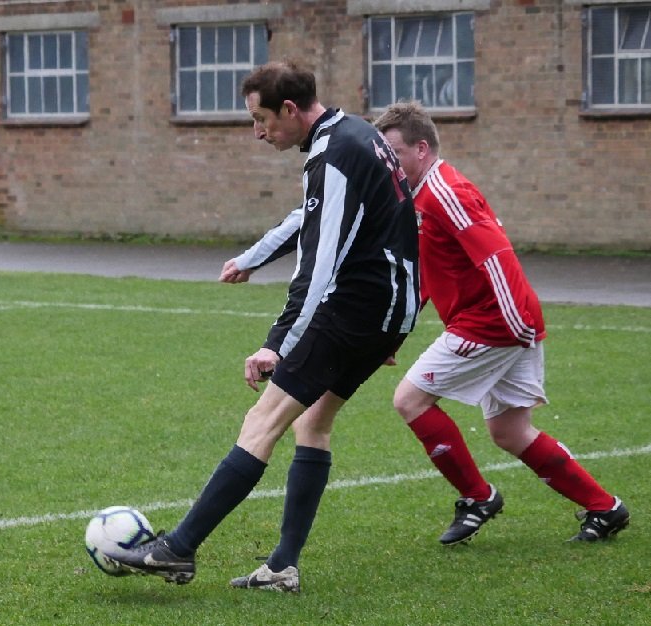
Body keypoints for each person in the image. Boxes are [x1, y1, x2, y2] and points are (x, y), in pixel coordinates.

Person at [217, 100, 631, 591]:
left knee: (409, 399)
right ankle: (605, 508)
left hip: (495, 321)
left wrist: (515, 321)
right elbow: (420, 271)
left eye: (393, 152)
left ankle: (478, 496)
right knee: (509, 431)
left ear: (421, 148)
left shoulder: (445, 190)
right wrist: (398, 327)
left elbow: (496, 254)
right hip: (506, 320)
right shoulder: (409, 196)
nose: (386, 162)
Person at [108, 61, 420, 590]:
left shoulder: (334, 155)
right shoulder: (355, 134)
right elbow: (313, 219)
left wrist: (277, 344)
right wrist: (255, 256)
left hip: (356, 307)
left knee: (262, 421)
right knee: (312, 423)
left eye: (262, 120)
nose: (259, 133)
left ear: (291, 111)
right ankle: (281, 567)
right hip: (392, 310)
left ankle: (177, 549)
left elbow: (319, 268)